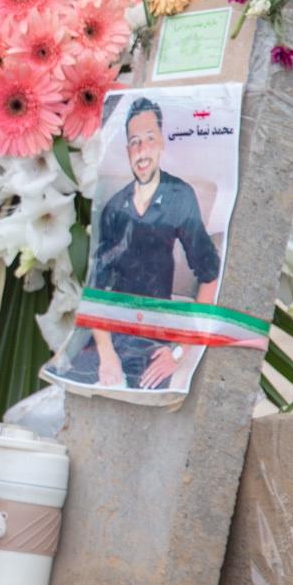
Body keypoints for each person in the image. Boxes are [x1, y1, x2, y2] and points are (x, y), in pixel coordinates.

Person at [68, 96, 222, 390]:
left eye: (150, 138)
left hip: (156, 337)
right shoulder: (114, 207)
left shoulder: (180, 196)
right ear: (127, 150)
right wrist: (107, 355)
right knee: (75, 384)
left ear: (162, 142)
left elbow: (210, 275)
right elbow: (96, 289)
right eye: (134, 142)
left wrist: (180, 351)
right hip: (111, 333)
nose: (141, 149)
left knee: (151, 397)